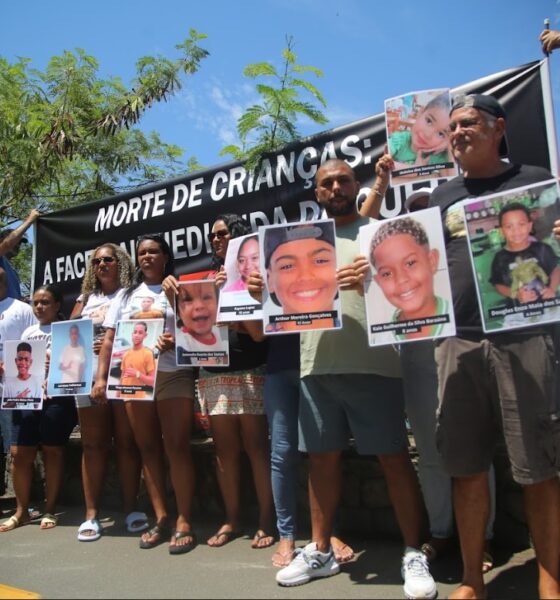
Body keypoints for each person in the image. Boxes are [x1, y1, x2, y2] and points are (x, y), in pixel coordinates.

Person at [276, 159, 436, 600]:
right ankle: (321, 549)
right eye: (326, 183)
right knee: (321, 460)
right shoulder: (300, 243)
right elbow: (282, 298)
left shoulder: (377, 233)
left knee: (394, 458)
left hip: (377, 366)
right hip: (316, 367)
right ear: (317, 194)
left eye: (343, 180)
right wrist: (260, 290)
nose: (335, 187)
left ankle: (411, 550)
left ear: (355, 186)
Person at [428, 93, 560, 599]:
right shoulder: (441, 198)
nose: (458, 132)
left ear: (498, 127)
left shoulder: (536, 182)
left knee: (538, 466)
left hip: (526, 338)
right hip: (457, 343)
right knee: (465, 465)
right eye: (453, 127)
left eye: (469, 123)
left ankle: (550, 580)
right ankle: (471, 580)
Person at [93, 234, 198, 555]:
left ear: (166, 256)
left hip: (171, 374)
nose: (147, 257)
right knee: (148, 448)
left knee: (177, 447)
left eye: (154, 251)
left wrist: (176, 336)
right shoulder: (125, 297)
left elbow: (201, 331)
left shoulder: (179, 289)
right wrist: (100, 378)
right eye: (142, 253)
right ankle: (161, 517)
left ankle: (184, 520)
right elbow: (110, 340)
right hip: (132, 379)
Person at [186, 213, 275, 550]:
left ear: (237, 235)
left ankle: (267, 519)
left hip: (251, 368)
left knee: (256, 448)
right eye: (213, 235)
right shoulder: (207, 278)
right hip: (213, 372)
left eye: (222, 233)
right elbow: (195, 328)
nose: (217, 239)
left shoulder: (254, 276)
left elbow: (259, 334)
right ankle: (232, 518)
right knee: (224, 452)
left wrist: (233, 315)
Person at [70, 243, 147, 543]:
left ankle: (130, 509)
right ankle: (91, 514)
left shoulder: (130, 294)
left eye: (108, 259)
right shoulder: (85, 299)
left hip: (120, 375)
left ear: (121, 263)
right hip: (86, 378)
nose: (102, 264)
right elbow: (67, 332)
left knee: (127, 444)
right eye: (97, 261)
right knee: (93, 446)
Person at [0, 284, 78, 533]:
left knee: (52, 451)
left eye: (45, 302)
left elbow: (75, 365)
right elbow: (19, 367)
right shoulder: (27, 333)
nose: (39, 307)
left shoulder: (67, 332)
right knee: (18, 454)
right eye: (35, 302)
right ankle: (22, 512)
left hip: (56, 399)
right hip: (25, 399)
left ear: (57, 305)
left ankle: (50, 508)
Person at [368, 216, 450, 341]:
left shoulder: (457, 320)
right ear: (378, 282)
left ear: (432, 261)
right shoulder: (381, 339)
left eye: (410, 263)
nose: (401, 280)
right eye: (386, 274)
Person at [263, 222, 339, 332]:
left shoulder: (354, 334)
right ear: (269, 280)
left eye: (320, 261)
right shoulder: (268, 343)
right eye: (287, 266)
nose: (305, 277)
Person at [0, 267, 36, 487]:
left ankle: (26, 498)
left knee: (17, 446)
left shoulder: (22, 309)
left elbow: (33, 346)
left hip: (14, 387)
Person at [490, 202, 560, 305]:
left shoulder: (543, 249)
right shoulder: (499, 258)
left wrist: (552, 289)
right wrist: (516, 294)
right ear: (501, 231)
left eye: (521, 224)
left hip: (548, 305)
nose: (516, 230)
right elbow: (498, 284)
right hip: (518, 310)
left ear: (529, 226)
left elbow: (556, 270)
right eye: (509, 226)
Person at [389, 93, 453, 178]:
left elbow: (453, 180)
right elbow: (382, 165)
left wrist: (449, 145)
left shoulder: (440, 158)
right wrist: (415, 170)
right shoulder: (399, 140)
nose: (428, 134)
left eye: (441, 134)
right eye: (429, 121)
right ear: (420, 113)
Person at [175, 281, 226, 365]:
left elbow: (224, 359)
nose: (199, 306)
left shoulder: (221, 333)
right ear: (178, 312)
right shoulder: (183, 345)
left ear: (218, 302)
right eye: (188, 300)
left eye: (206, 297)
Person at [0, 208, 40, 300]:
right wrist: (30, 220)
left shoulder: (13, 272)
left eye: (20, 242)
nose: (18, 244)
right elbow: (7, 244)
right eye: (16, 241)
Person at [117, 321, 156, 400]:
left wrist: (138, 374)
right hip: (123, 396)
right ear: (132, 334)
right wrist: (117, 394)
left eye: (140, 333)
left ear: (145, 335)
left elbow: (152, 381)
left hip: (137, 399)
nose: (136, 335)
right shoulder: (126, 354)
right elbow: (122, 376)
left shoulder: (148, 354)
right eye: (135, 332)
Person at [2, 342, 44, 406]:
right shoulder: (8, 383)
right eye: (20, 359)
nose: (23, 363)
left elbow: (37, 406)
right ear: (16, 361)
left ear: (31, 362)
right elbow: (4, 407)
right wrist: (17, 399)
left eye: (26, 359)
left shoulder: (37, 381)